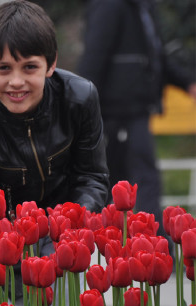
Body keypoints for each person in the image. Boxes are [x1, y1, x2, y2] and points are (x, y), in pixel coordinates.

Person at [0, 0, 109, 306]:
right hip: (9, 254)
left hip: (67, 245)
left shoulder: (79, 99)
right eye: (3, 68)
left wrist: (58, 245)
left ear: (51, 65)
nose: (16, 82)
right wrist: (17, 265)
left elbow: (92, 179)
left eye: (29, 67)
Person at [77, 0, 196, 243]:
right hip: (117, 113)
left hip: (136, 111)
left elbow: (155, 57)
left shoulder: (142, 7)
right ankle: (148, 250)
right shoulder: (110, 6)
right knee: (136, 182)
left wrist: (187, 82)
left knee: (125, 183)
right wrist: (80, 109)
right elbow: (94, 57)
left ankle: (137, 251)